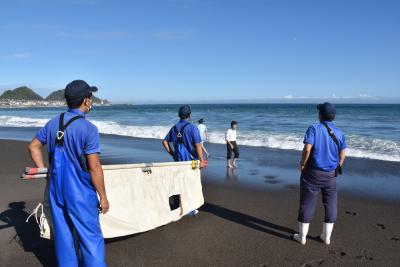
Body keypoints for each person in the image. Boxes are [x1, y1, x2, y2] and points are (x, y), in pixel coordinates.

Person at [28, 80, 109, 267]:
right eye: (90, 97)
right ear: (86, 101)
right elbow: (94, 167)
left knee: (64, 238)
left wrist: (45, 171)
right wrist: (103, 196)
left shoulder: (53, 123)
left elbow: (33, 146)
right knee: (90, 238)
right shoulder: (89, 129)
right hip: (80, 192)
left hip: (56, 190)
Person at [293, 102, 346, 246]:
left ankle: (302, 237)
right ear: (333, 116)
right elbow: (342, 155)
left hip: (312, 173)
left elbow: (307, 149)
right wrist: (338, 166)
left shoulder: (314, 128)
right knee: (330, 204)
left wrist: (302, 163)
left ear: (320, 115)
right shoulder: (340, 133)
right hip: (330, 175)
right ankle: (326, 237)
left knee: (307, 204)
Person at [162, 105, 207, 216]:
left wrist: (172, 154)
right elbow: (197, 146)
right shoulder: (192, 128)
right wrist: (201, 160)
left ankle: (179, 206)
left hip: (178, 162)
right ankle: (190, 209)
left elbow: (164, 142)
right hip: (191, 162)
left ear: (179, 115)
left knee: (180, 183)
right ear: (189, 115)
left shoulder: (174, 128)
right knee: (191, 183)